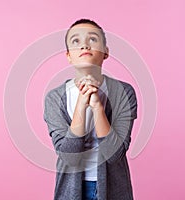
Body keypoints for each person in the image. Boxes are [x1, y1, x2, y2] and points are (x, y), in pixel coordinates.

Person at [44, 19, 137, 200]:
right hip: (70, 192)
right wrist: (81, 103)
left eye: (93, 39)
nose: (84, 45)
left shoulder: (124, 93)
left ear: (105, 53)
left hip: (114, 190)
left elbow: (115, 154)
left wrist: (97, 107)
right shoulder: (54, 98)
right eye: (76, 41)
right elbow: (69, 157)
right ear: (69, 55)